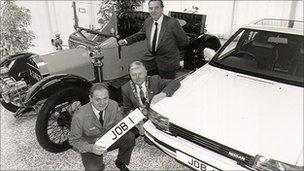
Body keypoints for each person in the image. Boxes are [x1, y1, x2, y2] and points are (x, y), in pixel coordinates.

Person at [69, 83, 135, 171]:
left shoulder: (114, 105)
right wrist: (91, 148)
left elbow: (119, 125)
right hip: (91, 145)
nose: (102, 103)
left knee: (130, 136)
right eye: (98, 99)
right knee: (93, 169)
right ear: (90, 98)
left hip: (109, 138)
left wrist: (130, 119)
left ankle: (121, 161)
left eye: (105, 98)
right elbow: (74, 140)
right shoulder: (79, 116)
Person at [118, 0, 189, 79]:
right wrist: (126, 41)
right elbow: (141, 34)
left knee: (165, 85)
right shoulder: (148, 21)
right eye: (151, 8)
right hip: (150, 57)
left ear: (162, 9)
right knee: (137, 72)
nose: (153, 11)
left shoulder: (172, 23)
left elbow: (184, 41)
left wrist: (171, 51)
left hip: (167, 60)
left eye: (156, 8)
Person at [121, 61, 181, 136]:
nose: (137, 77)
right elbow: (126, 108)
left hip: (155, 116)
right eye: (134, 75)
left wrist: (163, 94)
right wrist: (133, 116)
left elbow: (175, 83)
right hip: (139, 118)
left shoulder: (155, 80)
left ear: (146, 72)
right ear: (130, 75)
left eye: (140, 74)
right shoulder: (125, 88)